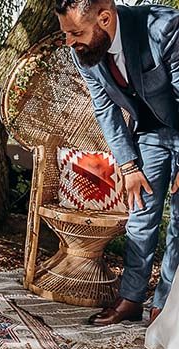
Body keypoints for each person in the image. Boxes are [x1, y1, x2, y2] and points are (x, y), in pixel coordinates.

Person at [55, 0, 179, 326]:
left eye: (76, 33)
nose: (69, 41)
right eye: (66, 33)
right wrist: (128, 166)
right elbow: (105, 109)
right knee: (141, 213)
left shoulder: (163, 27)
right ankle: (131, 299)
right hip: (150, 131)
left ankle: (164, 307)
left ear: (106, 18)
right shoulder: (84, 51)